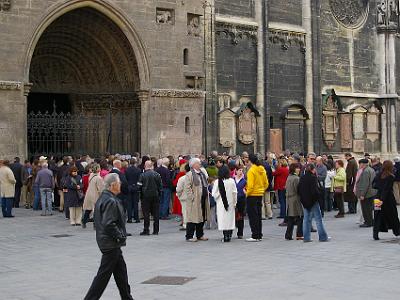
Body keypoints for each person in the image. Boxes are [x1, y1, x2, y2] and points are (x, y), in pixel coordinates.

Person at [84, 173, 134, 300]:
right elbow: (108, 223)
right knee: (102, 277)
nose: (120, 184)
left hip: (109, 242)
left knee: (121, 273)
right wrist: (120, 236)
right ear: (113, 185)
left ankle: (127, 297)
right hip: (110, 243)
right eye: (119, 183)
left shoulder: (104, 197)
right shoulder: (110, 200)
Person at [298, 164, 329, 242]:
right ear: (312, 170)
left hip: (305, 201)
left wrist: (302, 199)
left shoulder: (302, 178)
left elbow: (299, 190)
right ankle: (322, 237)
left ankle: (306, 237)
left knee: (306, 220)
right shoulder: (313, 178)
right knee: (318, 219)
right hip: (313, 201)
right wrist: (318, 198)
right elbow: (314, 191)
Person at [182, 158, 210, 242]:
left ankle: (200, 235)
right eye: (198, 163)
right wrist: (192, 197)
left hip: (203, 199)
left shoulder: (202, 173)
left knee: (201, 217)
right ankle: (189, 236)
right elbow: (187, 187)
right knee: (192, 218)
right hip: (194, 200)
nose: (200, 164)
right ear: (193, 165)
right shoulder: (189, 174)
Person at [372, 160, 400, 240]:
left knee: (377, 215)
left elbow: (373, 185)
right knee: (393, 214)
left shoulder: (378, 174)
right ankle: (397, 231)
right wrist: (383, 199)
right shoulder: (391, 176)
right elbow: (387, 189)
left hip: (377, 197)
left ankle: (375, 233)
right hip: (388, 199)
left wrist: (379, 193)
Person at [246, 154, 269, 242]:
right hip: (260, 194)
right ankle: (259, 234)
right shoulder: (262, 169)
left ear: (250, 161)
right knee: (258, 215)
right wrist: (262, 190)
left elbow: (250, 186)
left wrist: (247, 193)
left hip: (252, 195)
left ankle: (255, 235)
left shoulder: (251, 171)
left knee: (253, 216)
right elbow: (266, 183)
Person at [212, 166, 237, 242]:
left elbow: (214, 194)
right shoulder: (232, 181)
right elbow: (234, 193)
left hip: (221, 203)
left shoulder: (217, 182)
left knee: (223, 219)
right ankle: (229, 234)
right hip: (230, 202)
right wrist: (235, 202)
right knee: (230, 219)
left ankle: (225, 235)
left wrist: (219, 194)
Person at [137, 160, 163, 236]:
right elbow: (160, 186)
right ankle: (156, 230)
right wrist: (159, 194)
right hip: (155, 196)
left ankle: (146, 229)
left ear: (145, 166)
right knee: (156, 214)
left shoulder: (142, 175)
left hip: (145, 196)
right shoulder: (157, 175)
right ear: (152, 166)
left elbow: (139, 185)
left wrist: (140, 193)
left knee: (146, 214)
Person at [354, 159, 376, 228]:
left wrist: (362, 194)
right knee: (369, 208)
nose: (359, 165)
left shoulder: (365, 171)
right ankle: (370, 221)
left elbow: (365, 184)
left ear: (363, 164)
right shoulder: (371, 169)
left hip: (367, 193)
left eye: (360, 164)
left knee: (366, 208)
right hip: (371, 192)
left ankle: (368, 222)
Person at [285, 163, 303, 240]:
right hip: (295, 199)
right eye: (297, 168)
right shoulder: (296, 178)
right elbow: (298, 190)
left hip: (289, 199)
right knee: (300, 217)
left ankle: (288, 235)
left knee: (291, 218)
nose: (299, 169)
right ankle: (299, 234)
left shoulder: (289, 177)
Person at [82, 163, 104, 228]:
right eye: (99, 167)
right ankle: (95, 224)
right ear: (97, 169)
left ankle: (84, 221)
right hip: (95, 194)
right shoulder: (98, 178)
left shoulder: (91, 175)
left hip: (89, 193)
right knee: (96, 210)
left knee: (88, 209)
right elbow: (100, 189)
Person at [125, 158, 141, 223]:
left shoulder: (127, 170)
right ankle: (136, 218)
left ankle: (129, 218)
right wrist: (138, 186)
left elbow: (125, 179)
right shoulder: (138, 170)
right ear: (135, 163)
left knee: (129, 204)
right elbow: (140, 180)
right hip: (136, 187)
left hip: (129, 187)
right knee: (135, 203)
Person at [273, 158, 289, 224]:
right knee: (284, 200)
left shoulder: (280, 169)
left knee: (281, 200)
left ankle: (282, 214)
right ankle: (284, 213)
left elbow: (274, 173)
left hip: (280, 186)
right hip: (285, 186)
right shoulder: (287, 169)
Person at [176, 163, 191, 230]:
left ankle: (186, 225)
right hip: (192, 197)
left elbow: (179, 189)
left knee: (185, 211)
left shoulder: (182, 178)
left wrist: (178, 195)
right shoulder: (195, 177)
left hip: (184, 197)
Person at [234, 166, 247, 239]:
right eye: (239, 170)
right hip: (234, 199)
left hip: (241, 199)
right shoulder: (232, 180)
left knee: (240, 216)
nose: (241, 172)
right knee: (234, 216)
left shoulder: (244, 181)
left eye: (242, 170)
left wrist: (246, 192)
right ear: (236, 171)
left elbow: (247, 189)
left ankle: (240, 233)